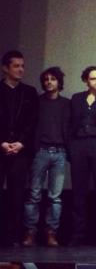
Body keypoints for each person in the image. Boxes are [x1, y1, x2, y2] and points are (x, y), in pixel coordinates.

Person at [22, 67, 70, 247]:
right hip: (40, 151)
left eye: (53, 79)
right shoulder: (37, 102)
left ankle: (51, 233)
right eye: (46, 79)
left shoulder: (66, 104)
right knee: (34, 194)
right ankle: (30, 232)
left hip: (59, 152)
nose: (49, 82)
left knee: (55, 197)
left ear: (59, 82)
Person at [68, 66, 96, 246]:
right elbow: (71, 123)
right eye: (93, 78)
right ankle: (78, 233)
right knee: (79, 191)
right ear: (86, 80)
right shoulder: (76, 98)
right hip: (79, 145)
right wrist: (71, 147)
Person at [0, 50, 38, 247]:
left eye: (22, 66)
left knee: (17, 194)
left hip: (21, 151)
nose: (21, 69)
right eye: (16, 66)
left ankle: (13, 236)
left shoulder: (29, 92)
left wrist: (21, 143)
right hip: (0, 148)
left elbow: (33, 122)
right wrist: (2, 142)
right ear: (5, 68)